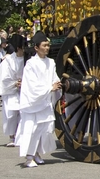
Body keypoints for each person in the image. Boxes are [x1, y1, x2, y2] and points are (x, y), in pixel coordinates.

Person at [16, 31, 61, 168]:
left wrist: (57, 84)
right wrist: (49, 88)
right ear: (36, 48)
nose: (47, 48)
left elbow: (54, 77)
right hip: (33, 103)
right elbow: (32, 86)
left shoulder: (51, 62)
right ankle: (29, 157)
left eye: (48, 45)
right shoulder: (31, 64)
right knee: (32, 128)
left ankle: (36, 153)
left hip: (45, 101)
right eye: (44, 45)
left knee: (45, 128)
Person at [0, 33, 25, 146]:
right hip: (11, 90)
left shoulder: (27, 59)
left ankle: (21, 135)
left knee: (23, 113)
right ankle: (12, 136)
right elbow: (4, 79)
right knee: (11, 113)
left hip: (24, 89)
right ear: (18, 48)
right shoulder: (9, 61)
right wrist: (15, 83)